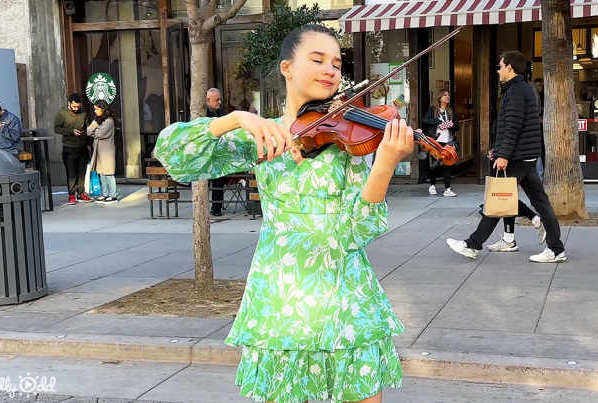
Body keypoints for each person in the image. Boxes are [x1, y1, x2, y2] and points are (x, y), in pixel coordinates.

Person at [153, 25, 412, 403]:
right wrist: (237, 118)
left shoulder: (346, 140)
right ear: (288, 68)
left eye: (337, 64)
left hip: (345, 298)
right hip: (281, 300)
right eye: (318, 59)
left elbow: (359, 231)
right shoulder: (262, 134)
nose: (331, 70)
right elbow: (175, 154)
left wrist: (384, 164)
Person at [446, 50, 566, 263]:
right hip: (525, 156)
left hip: (518, 157)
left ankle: (472, 244)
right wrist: (498, 149)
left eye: (500, 66)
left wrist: (503, 154)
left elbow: (513, 127)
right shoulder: (519, 89)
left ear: (510, 67)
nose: (498, 70)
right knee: (538, 202)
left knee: (496, 200)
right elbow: (509, 127)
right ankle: (555, 249)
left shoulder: (516, 91)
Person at [55, 94, 93, 205]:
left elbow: (87, 127)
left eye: (78, 106)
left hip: (83, 146)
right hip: (69, 146)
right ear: (69, 103)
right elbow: (56, 128)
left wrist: (88, 143)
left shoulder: (83, 112)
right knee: (71, 173)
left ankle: (81, 193)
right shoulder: (62, 113)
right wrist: (71, 131)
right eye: (74, 106)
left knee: (82, 171)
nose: (76, 109)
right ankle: (71, 194)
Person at [423, 89, 459, 197]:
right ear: (439, 98)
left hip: (448, 141)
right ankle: (432, 185)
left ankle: (447, 189)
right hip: (436, 141)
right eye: (445, 95)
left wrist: (452, 124)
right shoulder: (433, 110)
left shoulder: (451, 111)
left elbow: (457, 127)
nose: (447, 97)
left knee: (447, 165)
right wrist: (437, 121)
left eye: (448, 95)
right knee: (435, 164)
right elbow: (425, 120)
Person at [87, 100, 118, 203]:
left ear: (103, 109)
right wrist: (95, 128)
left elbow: (100, 134)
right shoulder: (98, 120)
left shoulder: (109, 120)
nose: (95, 111)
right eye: (95, 109)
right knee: (102, 173)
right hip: (98, 150)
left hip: (107, 150)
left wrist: (94, 129)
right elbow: (88, 131)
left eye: (97, 109)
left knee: (108, 173)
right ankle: (105, 194)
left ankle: (113, 195)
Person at [207, 88, 227, 216]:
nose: (219, 102)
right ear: (208, 100)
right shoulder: (201, 113)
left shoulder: (221, 112)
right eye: (216, 100)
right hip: (206, 154)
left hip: (219, 154)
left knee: (219, 179)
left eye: (220, 99)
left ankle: (216, 208)